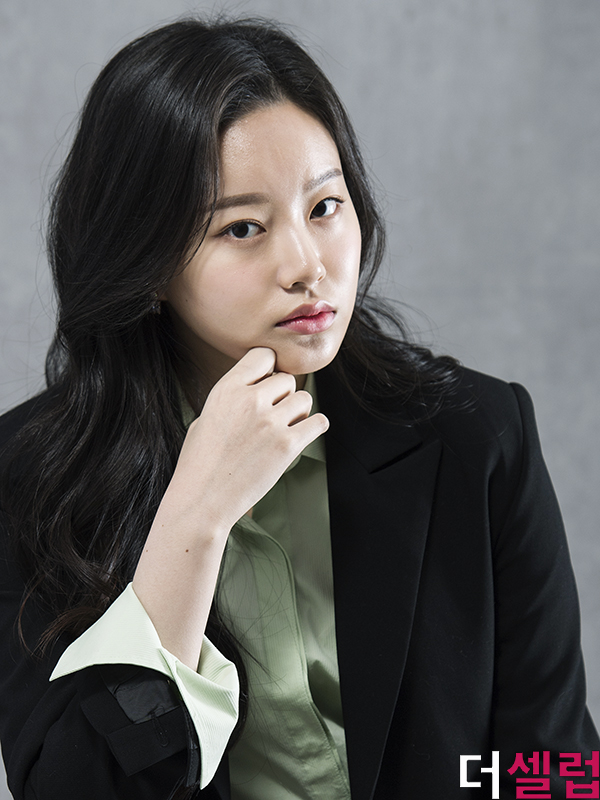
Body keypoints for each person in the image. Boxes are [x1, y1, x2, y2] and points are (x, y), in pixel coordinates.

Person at [0, 16, 597, 800]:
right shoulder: (31, 479)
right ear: (145, 260)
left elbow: (553, 767)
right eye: (243, 227)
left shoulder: (475, 434)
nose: (307, 265)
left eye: (324, 207)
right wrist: (194, 519)